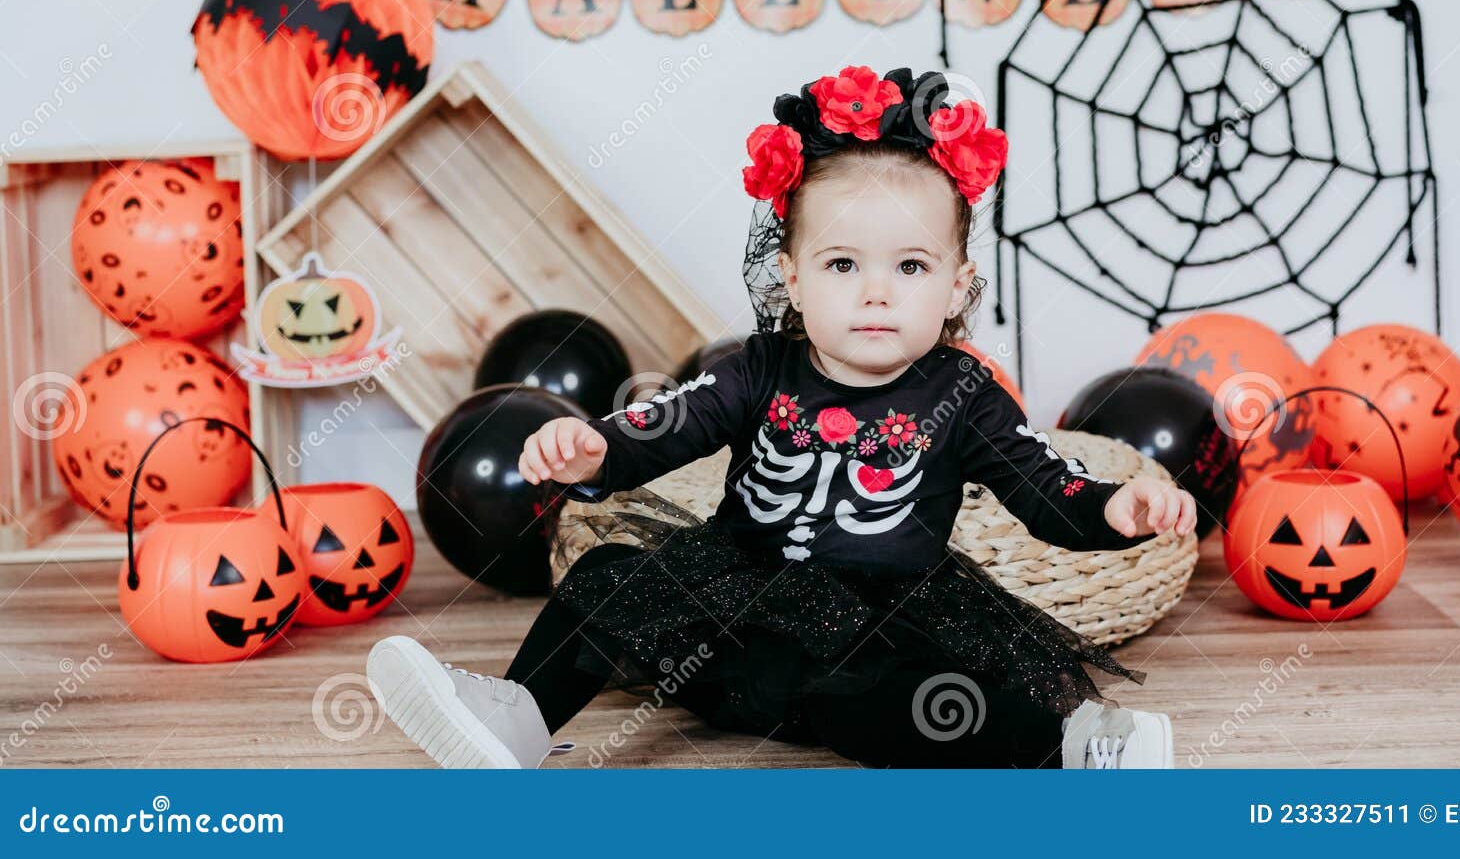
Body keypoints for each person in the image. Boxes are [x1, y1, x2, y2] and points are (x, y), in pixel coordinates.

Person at [367, 65, 1197, 769]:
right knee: (606, 577)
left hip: (873, 644)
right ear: (793, 279)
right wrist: (596, 448)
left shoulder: (963, 392)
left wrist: (1112, 509)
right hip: (728, 633)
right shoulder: (760, 368)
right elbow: (669, 423)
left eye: (910, 264)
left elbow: (1044, 485)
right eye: (843, 263)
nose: (877, 290)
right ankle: (517, 719)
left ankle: (1080, 749)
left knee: (942, 698)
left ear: (955, 285)